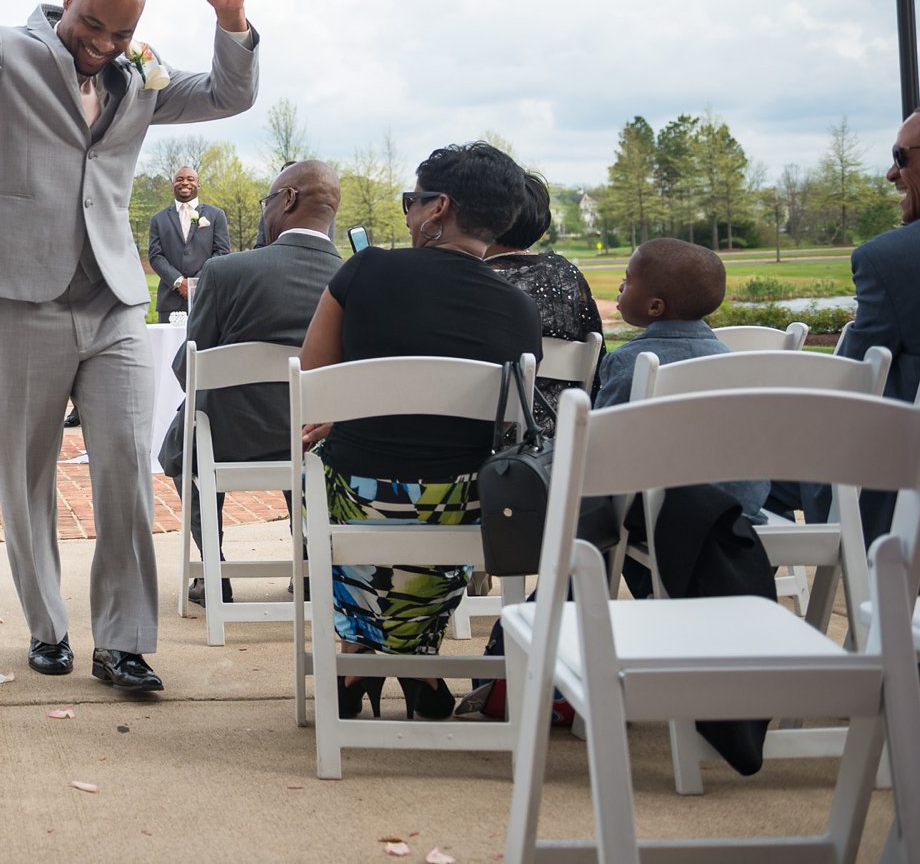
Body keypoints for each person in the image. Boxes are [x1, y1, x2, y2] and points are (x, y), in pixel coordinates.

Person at [0, 0, 257, 696]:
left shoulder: (142, 78)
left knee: (127, 465)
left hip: (114, 301)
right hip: (21, 298)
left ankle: (125, 640)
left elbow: (232, 93)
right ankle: (48, 628)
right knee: (25, 472)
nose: (102, 43)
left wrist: (231, 21)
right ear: (67, 0)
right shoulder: (5, 52)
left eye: (120, 33)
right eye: (91, 24)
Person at [297, 141, 542, 721]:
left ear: (439, 208)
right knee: (444, 494)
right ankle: (419, 660)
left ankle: (358, 655)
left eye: (413, 201)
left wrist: (352, 408)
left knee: (332, 477)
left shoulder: (366, 269)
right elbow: (504, 425)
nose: (408, 214)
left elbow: (312, 382)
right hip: (462, 509)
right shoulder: (518, 309)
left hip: (358, 503)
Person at [157, 160, 343, 605]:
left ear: (289, 199)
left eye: (267, 201)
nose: (264, 212)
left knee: (188, 442)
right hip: (314, 440)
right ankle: (308, 562)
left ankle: (212, 570)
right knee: (299, 434)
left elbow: (192, 366)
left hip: (228, 438)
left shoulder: (226, 272)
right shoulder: (353, 276)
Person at [594, 239, 760, 512]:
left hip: (657, 509)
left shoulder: (628, 360)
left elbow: (602, 445)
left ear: (655, 307)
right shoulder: (731, 359)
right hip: (739, 504)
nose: (620, 287)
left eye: (628, 279)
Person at [833, 110, 920, 542]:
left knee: (734, 479)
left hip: (894, 493)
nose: (891, 173)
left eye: (900, 156)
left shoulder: (890, 260)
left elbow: (852, 381)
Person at [484, 171, 604, 430]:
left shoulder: (475, 280)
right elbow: (595, 348)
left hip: (492, 442)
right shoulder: (566, 274)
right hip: (563, 434)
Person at [147, 165, 230, 323]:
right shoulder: (158, 219)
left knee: (205, 347)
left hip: (207, 297)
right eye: (179, 179)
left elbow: (222, 252)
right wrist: (179, 282)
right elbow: (155, 256)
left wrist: (195, 284)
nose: (185, 182)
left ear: (198, 184)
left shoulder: (216, 215)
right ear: (173, 184)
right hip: (169, 301)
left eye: (190, 179)